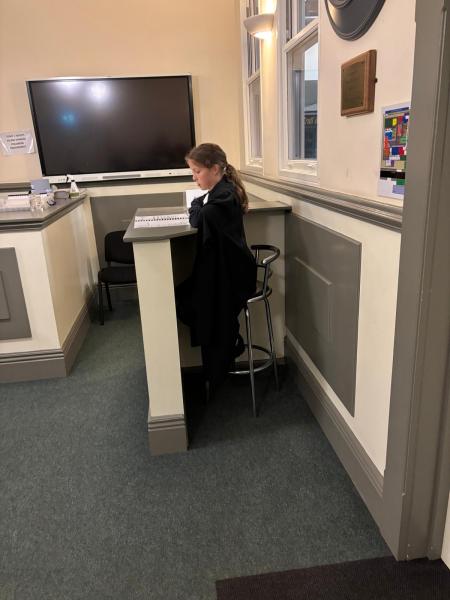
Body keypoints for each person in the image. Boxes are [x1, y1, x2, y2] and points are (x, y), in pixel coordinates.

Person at [175, 143, 257, 388]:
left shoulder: (224, 196)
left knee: (196, 302)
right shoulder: (220, 192)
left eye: (197, 171)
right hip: (225, 270)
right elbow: (199, 208)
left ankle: (226, 351)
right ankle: (224, 351)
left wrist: (196, 206)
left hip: (233, 275)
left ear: (214, 169)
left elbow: (198, 217)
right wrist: (198, 205)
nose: (194, 177)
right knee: (189, 299)